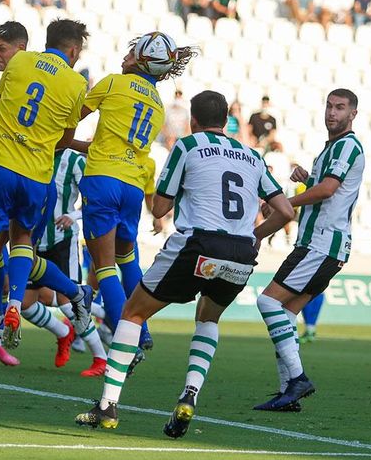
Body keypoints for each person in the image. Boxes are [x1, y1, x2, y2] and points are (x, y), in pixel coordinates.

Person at [74, 90, 294, 433]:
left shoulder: (187, 146)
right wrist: (256, 234)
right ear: (226, 120)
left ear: (193, 120)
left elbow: (161, 208)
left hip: (198, 245)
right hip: (240, 254)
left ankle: (108, 406)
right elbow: (285, 211)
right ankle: (189, 394)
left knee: (133, 312)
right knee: (208, 318)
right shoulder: (251, 155)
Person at [71, 32, 196, 364]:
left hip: (102, 180)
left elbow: (71, 118)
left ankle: (128, 341)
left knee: (104, 267)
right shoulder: (157, 105)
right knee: (127, 260)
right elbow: (127, 149)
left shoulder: (112, 84)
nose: (123, 58)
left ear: (140, 59)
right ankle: (143, 330)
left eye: (130, 54)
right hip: (132, 187)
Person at [0, 19, 93, 356]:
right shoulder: (75, 83)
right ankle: (13, 305)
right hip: (37, 174)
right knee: (23, 240)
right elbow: (65, 141)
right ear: (73, 50)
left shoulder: (20, 61)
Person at [252, 89, 365, 412]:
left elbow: (328, 191)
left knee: (267, 302)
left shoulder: (347, 145)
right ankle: (288, 393)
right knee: (286, 314)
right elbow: (325, 186)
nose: (332, 112)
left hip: (321, 243)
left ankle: (297, 379)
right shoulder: (330, 149)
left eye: (340, 108)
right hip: (325, 245)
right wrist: (308, 178)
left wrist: (284, 202)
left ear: (352, 114)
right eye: (329, 106)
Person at [26, 147, 109, 377]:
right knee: (25, 303)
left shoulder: (73, 160)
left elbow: (94, 197)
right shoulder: (33, 152)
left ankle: (101, 357)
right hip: (33, 240)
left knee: (69, 302)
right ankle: (63, 332)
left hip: (63, 241)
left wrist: (74, 216)